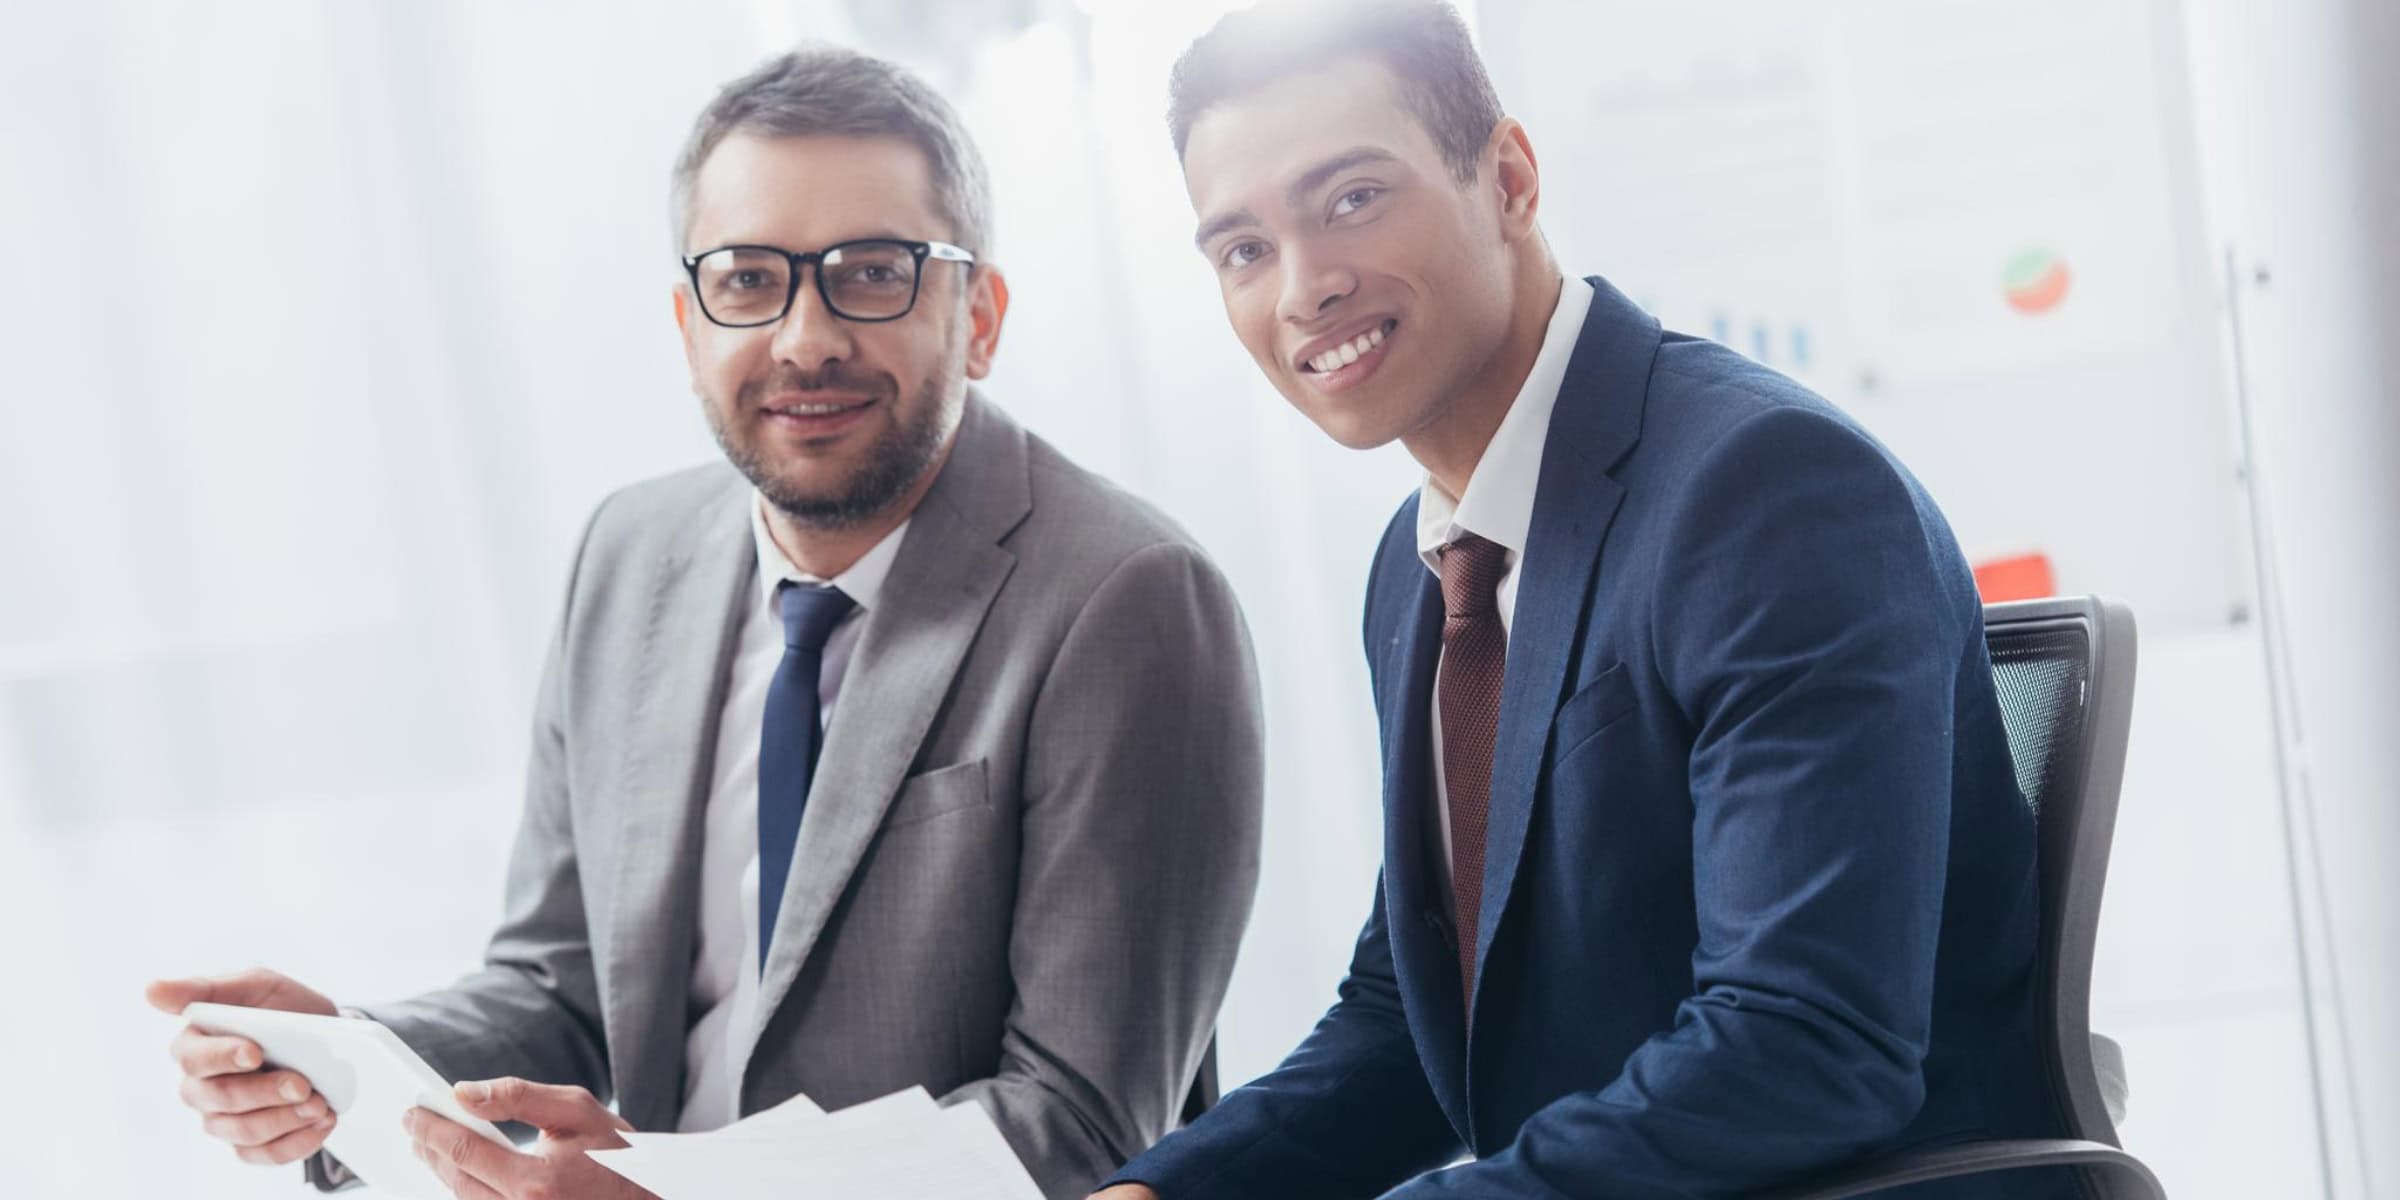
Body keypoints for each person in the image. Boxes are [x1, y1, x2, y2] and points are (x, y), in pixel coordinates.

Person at [147, 45, 1264, 1200]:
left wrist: (689, 1194)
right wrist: (352, 1061)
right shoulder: (624, 558)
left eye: (872, 272)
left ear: (977, 315)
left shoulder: (1131, 599)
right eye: (748, 279)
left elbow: (1081, 1122)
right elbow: (561, 989)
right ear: (688, 323)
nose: (805, 337)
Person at [1095, 2, 2065, 1196]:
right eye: (1243, 249)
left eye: (1351, 198)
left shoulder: (1765, 493)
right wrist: (1159, 1190)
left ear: (1507, 178)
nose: (1304, 288)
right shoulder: (1428, 560)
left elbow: (1807, 1047)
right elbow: (1413, 1018)